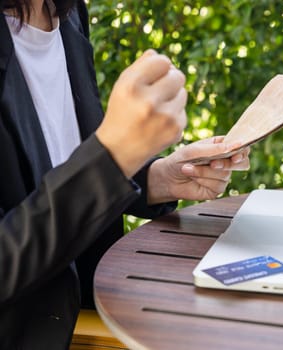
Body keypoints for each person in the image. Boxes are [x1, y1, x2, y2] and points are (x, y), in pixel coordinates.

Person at [0, 0, 250, 348]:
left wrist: (156, 178)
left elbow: (64, 164)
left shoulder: (68, 16)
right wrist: (113, 157)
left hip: (98, 307)